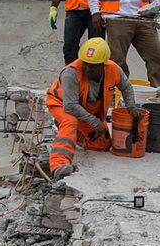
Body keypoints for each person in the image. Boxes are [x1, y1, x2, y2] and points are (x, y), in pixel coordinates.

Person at [44, 36, 136, 179]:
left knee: (103, 145)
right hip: (61, 104)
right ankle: (58, 165)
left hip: (87, 109)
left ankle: (77, 135)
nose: (87, 68)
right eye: (85, 63)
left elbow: (127, 87)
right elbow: (70, 106)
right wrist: (94, 122)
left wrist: (131, 106)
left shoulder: (113, 69)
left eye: (93, 66)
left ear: (103, 65)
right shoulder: (71, 72)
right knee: (70, 122)